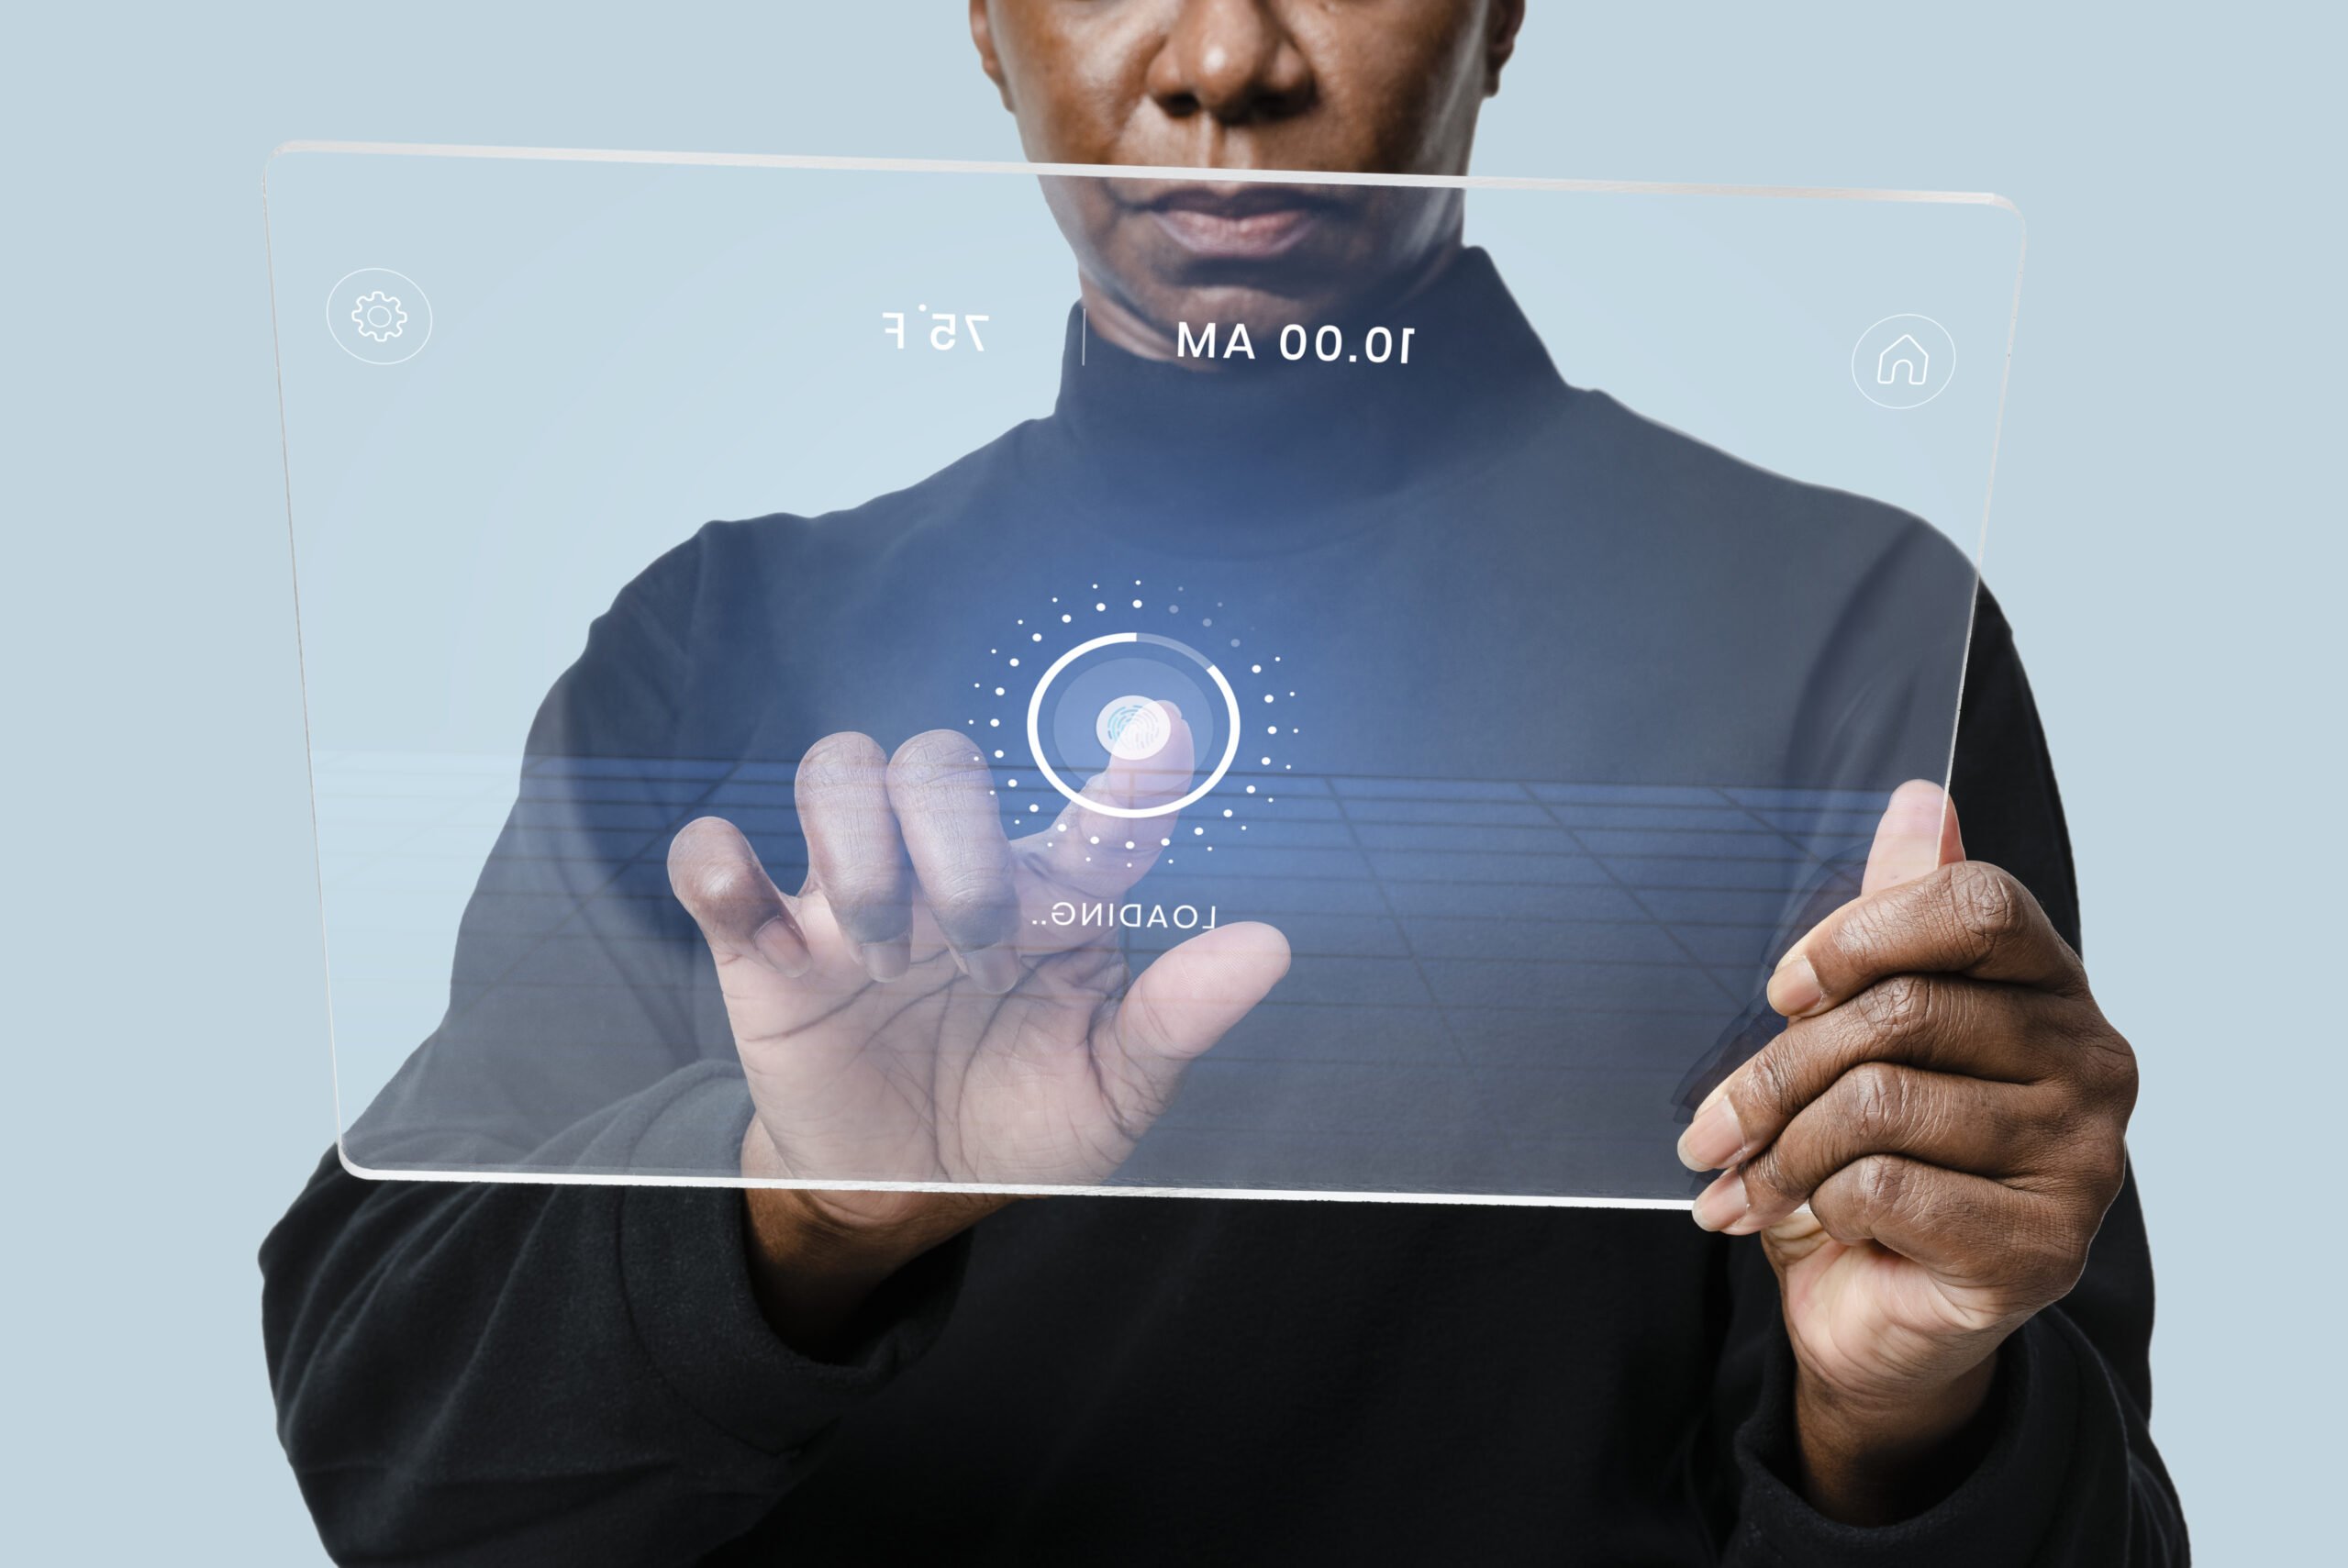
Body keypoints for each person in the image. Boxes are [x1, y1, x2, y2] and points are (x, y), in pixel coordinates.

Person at [262, 3, 2186, 1562]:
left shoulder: (1842, 620)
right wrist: (793, 1214)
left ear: (1503, 13)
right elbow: (393, 1464)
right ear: (981, 22)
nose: (1218, 65)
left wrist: (1902, 1415)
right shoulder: (718, 636)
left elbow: (2081, 1512)